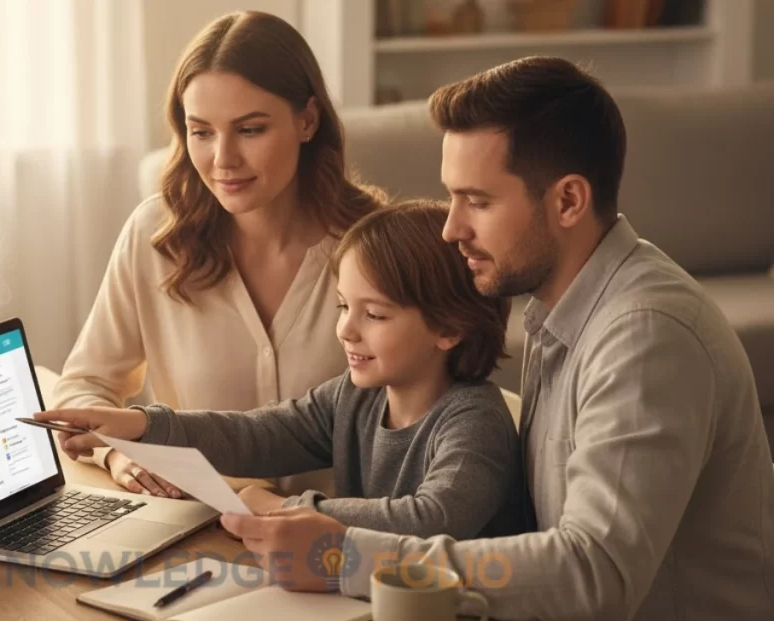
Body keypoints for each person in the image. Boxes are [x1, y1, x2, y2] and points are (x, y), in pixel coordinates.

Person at [216, 57, 774, 621]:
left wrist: (343, 555)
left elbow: (594, 572)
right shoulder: (561, 310)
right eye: (452, 197)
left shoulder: (644, 336)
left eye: (478, 201)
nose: (451, 228)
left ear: (568, 201)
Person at [39, 199, 523, 540]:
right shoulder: (356, 397)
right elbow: (259, 434)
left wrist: (281, 509)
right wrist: (141, 425)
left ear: (449, 329)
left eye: (373, 315)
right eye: (341, 306)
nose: (346, 331)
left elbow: (432, 519)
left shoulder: (473, 421)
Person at [52, 11, 385, 498]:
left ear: (307, 120)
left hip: (336, 542)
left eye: (250, 130)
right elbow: (84, 386)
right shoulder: (154, 237)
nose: (222, 159)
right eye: (202, 131)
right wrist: (119, 451)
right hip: (195, 531)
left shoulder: (376, 245)